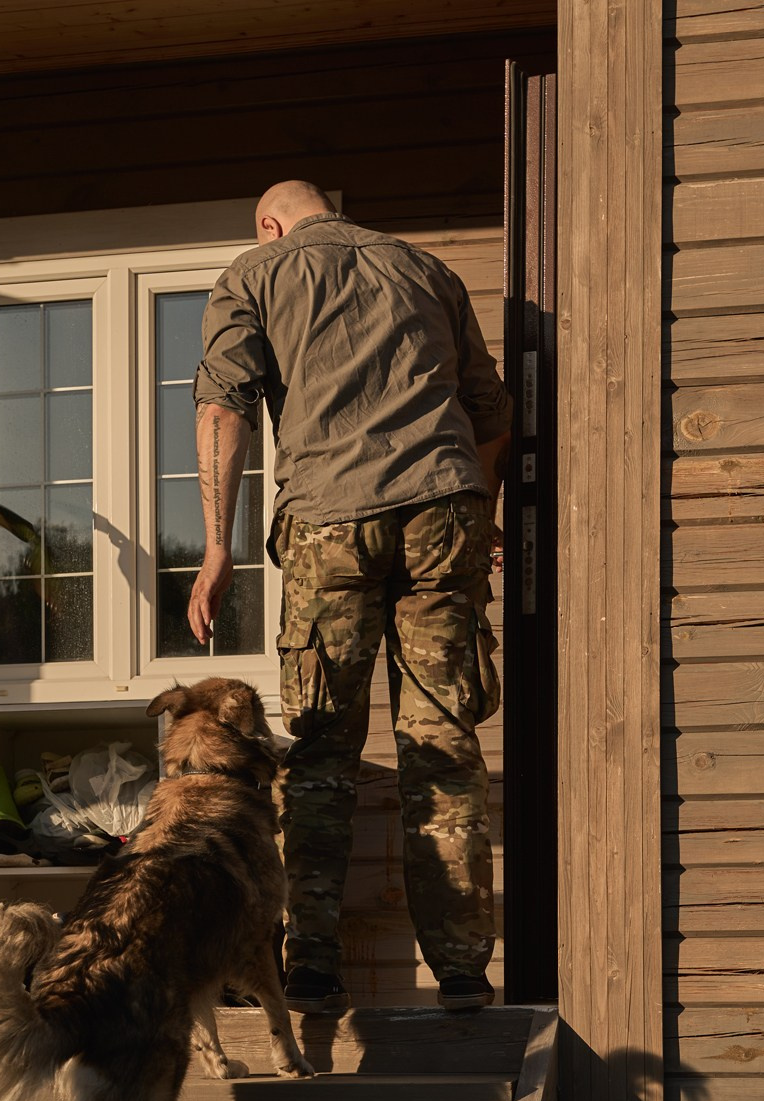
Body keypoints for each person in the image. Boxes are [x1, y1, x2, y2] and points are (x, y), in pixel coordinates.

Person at [187, 180, 513, 1014]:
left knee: (324, 752)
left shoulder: (256, 275)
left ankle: (314, 966)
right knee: (443, 743)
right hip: (446, 510)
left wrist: (218, 544)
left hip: (331, 518)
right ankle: (466, 971)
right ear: (332, 208)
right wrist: (481, 507)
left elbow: (225, 404)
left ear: (269, 225)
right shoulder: (427, 269)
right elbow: (490, 409)